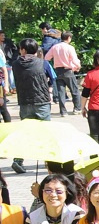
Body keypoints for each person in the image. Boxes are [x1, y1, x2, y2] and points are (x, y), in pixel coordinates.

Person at [10, 38, 54, 174]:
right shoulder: (44, 63)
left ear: (23, 50)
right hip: (42, 102)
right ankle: (51, 161)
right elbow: (53, 78)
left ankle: (18, 160)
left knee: (25, 132)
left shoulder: (15, 64)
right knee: (47, 133)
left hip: (25, 103)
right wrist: (50, 90)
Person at [44, 30, 82, 117]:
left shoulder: (55, 47)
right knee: (74, 90)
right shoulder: (70, 48)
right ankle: (77, 108)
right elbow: (74, 59)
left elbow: (47, 57)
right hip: (67, 70)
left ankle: (63, 111)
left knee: (61, 91)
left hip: (58, 70)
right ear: (68, 38)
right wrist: (78, 66)